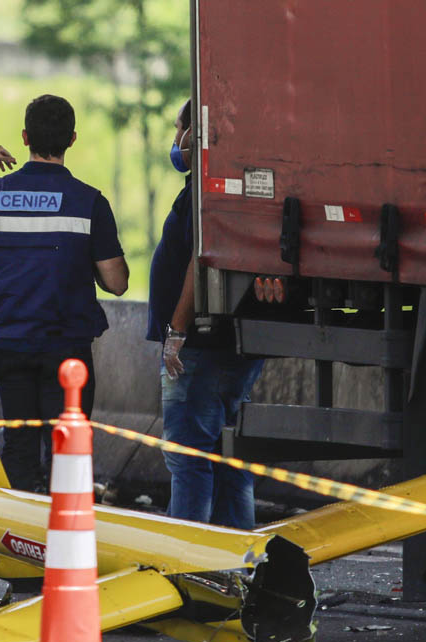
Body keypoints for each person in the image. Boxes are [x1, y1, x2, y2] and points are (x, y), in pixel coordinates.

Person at [0, 94, 129, 492]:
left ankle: (19, 526)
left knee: (19, 450)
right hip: (66, 350)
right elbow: (117, 282)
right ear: (72, 139)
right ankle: (62, 528)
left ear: (25, 137)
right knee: (67, 451)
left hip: (9, 345)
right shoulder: (89, 202)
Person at [146, 100, 264, 529]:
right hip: (228, 344)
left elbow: (200, 262)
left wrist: (176, 331)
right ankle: (237, 555)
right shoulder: (229, 190)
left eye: (178, 129)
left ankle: (187, 556)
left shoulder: (203, 195)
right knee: (227, 458)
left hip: (197, 347)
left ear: (194, 134)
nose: (174, 140)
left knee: (188, 458)